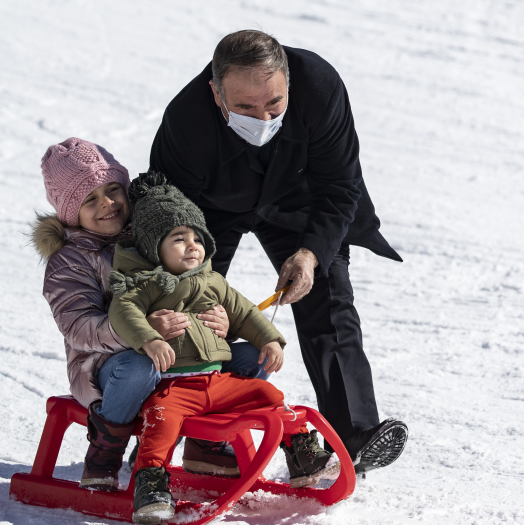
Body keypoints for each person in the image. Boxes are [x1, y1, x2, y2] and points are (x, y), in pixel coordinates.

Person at [149, 30, 407, 473]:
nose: (262, 117)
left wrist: (309, 254)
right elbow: (168, 213)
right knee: (189, 305)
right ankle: (163, 432)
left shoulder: (320, 87)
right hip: (209, 209)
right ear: (216, 92)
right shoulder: (186, 120)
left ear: (289, 82)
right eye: (245, 108)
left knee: (326, 295)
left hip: (298, 199)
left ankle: (354, 435)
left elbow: (341, 186)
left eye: (274, 104)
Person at [30, 137, 268, 491]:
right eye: (89, 200)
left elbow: (197, 290)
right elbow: (78, 327)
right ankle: (105, 452)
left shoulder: (152, 236)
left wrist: (220, 323)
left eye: (113, 190)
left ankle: (204, 445)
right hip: (108, 366)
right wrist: (140, 332)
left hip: (178, 355)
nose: (107, 204)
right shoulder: (70, 260)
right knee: (140, 367)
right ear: (70, 211)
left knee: (250, 356)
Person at [107, 173, 340, 524]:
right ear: (154, 246)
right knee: (159, 421)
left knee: (268, 393)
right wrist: (150, 338)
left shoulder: (213, 281)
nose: (192, 246)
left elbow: (245, 312)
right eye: (178, 238)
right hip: (173, 387)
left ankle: (303, 456)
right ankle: (151, 484)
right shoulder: (144, 284)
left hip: (217, 383)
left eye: (197, 238)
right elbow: (122, 312)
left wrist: (270, 339)